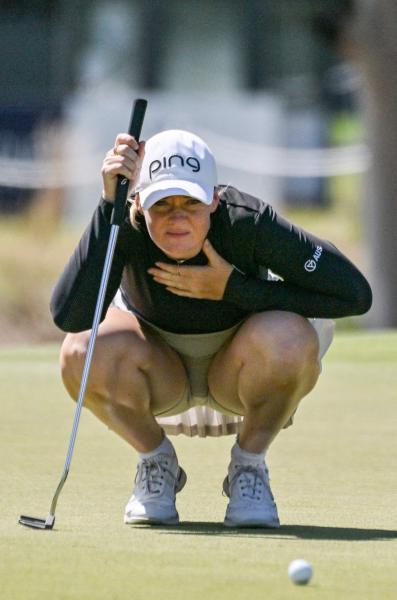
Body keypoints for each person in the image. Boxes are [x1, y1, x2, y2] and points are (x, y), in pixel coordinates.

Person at [51, 128, 372, 528]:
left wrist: (234, 288)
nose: (178, 217)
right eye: (162, 204)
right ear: (138, 202)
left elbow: (354, 294)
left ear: (215, 198)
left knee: (290, 337)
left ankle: (249, 467)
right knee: (79, 350)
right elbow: (69, 316)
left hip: (238, 370)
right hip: (156, 369)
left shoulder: (245, 221)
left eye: (192, 202)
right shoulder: (123, 223)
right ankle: (156, 461)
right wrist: (107, 205)